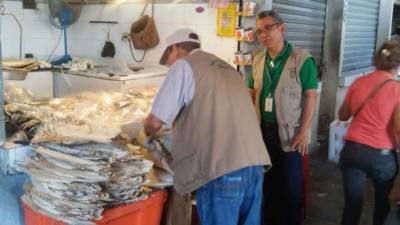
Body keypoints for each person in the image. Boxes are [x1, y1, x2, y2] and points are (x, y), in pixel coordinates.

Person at [142, 28, 271, 225]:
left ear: (175, 49)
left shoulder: (183, 66)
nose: (170, 65)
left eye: (169, 58)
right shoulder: (227, 67)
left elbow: (154, 122)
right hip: (254, 166)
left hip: (221, 172)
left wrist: (142, 134)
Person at [248, 10, 318, 225]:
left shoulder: (302, 60)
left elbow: (310, 96)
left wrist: (304, 131)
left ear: (282, 28)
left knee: (290, 189)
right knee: (267, 186)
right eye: (260, 31)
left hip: (290, 134)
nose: (264, 34)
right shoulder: (258, 59)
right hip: (263, 132)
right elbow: (251, 94)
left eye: (269, 28)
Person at [338, 40, 400, 225]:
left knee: (352, 204)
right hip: (382, 156)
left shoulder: (359, 82)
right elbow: (398, 128)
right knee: (382, 204)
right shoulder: (397, 89)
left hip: (353, 152)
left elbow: (343, 115)